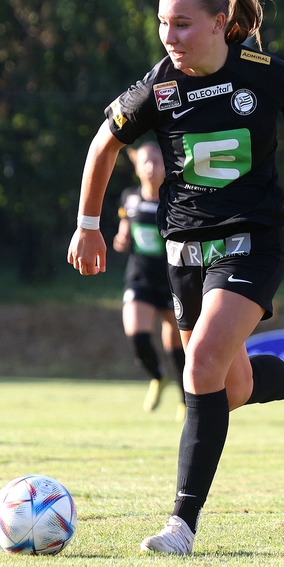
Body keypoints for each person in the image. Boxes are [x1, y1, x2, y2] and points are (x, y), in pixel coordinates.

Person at [67, 0, 284, 555]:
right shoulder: (158, 86)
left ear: (221, 23)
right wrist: (87, 226)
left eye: (182, 23)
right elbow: (104, 145)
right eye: (162, 24)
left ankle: (181, 525)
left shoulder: (267, 76)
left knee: (198, 367)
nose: (169, 35)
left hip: (252, 241)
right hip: (184, 252)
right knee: (232, 387)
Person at [113, 141, 187, 420]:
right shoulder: (129, 198)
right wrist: (122, 238)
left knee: (176, 347)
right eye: (144, 161)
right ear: (136, 167)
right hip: (139, 279)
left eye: (156, 161)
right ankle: (158, 377)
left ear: (165, 165)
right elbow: (126, 228)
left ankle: (185, 399)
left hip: (171, 280)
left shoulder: (175, 200)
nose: (150, 167)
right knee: (137, 336)